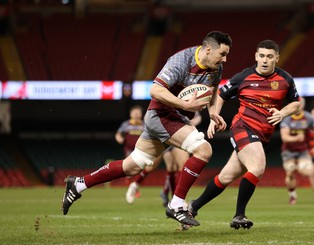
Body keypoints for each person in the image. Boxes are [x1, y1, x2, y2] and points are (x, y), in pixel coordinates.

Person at [61, 31, 232, 227]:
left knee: (133, 165)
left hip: (174, 118)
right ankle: (176, 205)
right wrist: (183, 106)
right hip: (161, 115)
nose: (225, 59)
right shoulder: (181, 61)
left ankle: (78, 184)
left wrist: (212, 113)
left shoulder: (215, 68)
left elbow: (214, 89)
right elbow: (155, 90)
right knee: (203, 149)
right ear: (208, 49)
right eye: (222, 54)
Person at [187, 39, 301, 230]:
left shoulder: (285, 79)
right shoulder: (243, 77)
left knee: (225, 177)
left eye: (269, 57)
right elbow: (221, 96)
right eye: (262, 56)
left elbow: (296, 103)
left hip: (262, 135)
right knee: (257, 167)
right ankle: (239, 215)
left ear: (277, 58)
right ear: (256, 56)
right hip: (243, 127)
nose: (265, 60)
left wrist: (282, 113)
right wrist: (214, 117)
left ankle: (192, 207)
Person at [280, 97, 314, 204]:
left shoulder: (308, 117)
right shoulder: (287, 119)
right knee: (289, 175)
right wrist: (296, 138)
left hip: (303, 151)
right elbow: (285, 137)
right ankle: (292, 196)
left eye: (300, 104)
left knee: (306, 171)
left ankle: (298, 167)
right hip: (288, 151)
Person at [159, 112, 202, 207]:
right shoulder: (167, 102)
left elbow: (198, 117)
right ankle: (172, 196)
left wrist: (189, 123)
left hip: (179, 135)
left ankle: (176, 198)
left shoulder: (185, 100)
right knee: (171, 168)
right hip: (167, 136)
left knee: (182, 166)